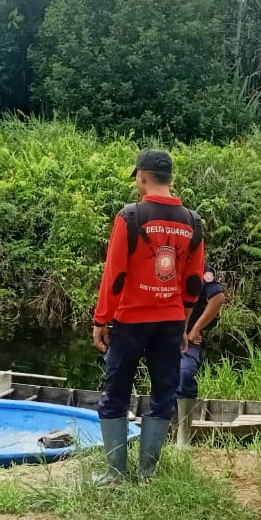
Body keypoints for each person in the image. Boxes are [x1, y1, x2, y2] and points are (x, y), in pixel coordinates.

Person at [92, 149, 205, 484]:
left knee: (116, 390)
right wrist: (184, 323)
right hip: (170, 321)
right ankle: (148, 473)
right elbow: (194, 281)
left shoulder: (130, 216)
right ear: (170, 179)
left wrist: (101, 319)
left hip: (130, 320)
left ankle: (114, 474)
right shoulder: (192, 221)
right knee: (164, 391)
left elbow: (115, 274)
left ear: (142, 176)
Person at [178, 263, 227, 400]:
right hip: (163, 335)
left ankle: (183, 421)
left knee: (185, 374)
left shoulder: (203, 270)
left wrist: (195, 330)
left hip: (188, 338)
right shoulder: (162, 264)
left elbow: (218, 298)